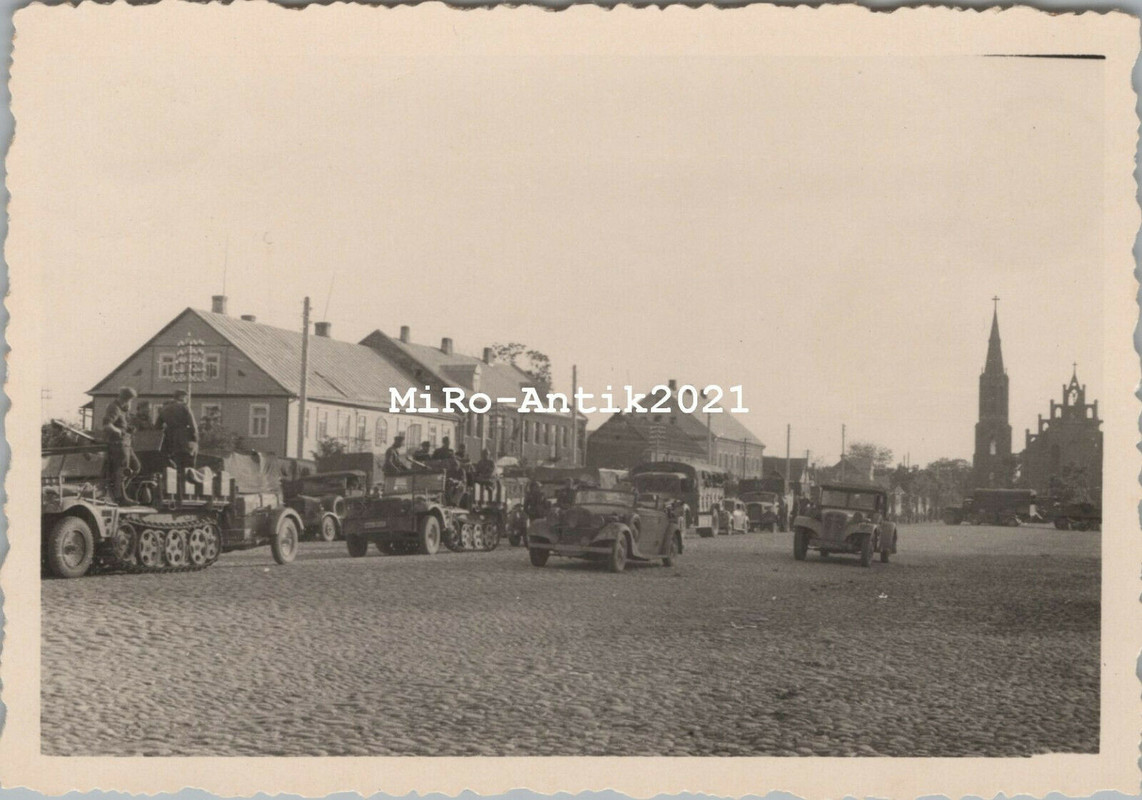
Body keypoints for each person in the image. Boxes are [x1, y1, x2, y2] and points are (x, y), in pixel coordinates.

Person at [156, 389, 199, 504]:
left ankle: (175, 493)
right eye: (186, 397)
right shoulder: (185, 407)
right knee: (188, 466)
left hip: (171, 441)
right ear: (182, 397)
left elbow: (157, 427)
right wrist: (195, 439)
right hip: (185, 440)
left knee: (175, 467)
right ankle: (186, 494)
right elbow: (193, 425)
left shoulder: (164, 409)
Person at [102, 386, 140, 504]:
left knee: (136, 467)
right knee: (123, 470)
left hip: (126, 443)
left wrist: (129, 428)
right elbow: (107, 425)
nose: (130, 403)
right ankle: (120, 497)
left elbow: (122, 424)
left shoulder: (122, 409)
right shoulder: (114, 408)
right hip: (117, 444)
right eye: (129, 400)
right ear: (125, 399)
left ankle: (118, 492)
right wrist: (118, 431)